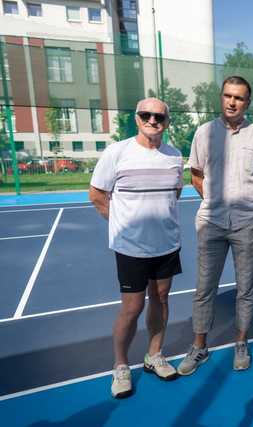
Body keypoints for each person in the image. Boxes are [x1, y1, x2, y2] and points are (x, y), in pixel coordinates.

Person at [177, 76, 253, 374]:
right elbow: (196, 174)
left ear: (247, 102)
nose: (232, 102)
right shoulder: (204, 133)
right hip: (211, 223)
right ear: (221, 97)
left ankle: (241, 342)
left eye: (239, 98)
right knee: (204, 287)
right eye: (228, 96)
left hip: (248, 224)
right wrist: (215, 201)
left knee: (246, 288)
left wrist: (245, 201)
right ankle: (199, 347)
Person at [89, 97, 183, 398]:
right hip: (131, 249)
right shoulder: (118, 153)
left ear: (166, 122)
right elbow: (97, 195)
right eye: (147, 115)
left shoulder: (174, 156)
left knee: (162, 299)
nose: (153, 121)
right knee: (132, 307)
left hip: (167, 245)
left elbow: (174, 195)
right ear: (137, 117)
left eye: (159, 117)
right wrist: (122, 225)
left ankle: (154, 355)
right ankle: (120, 365)